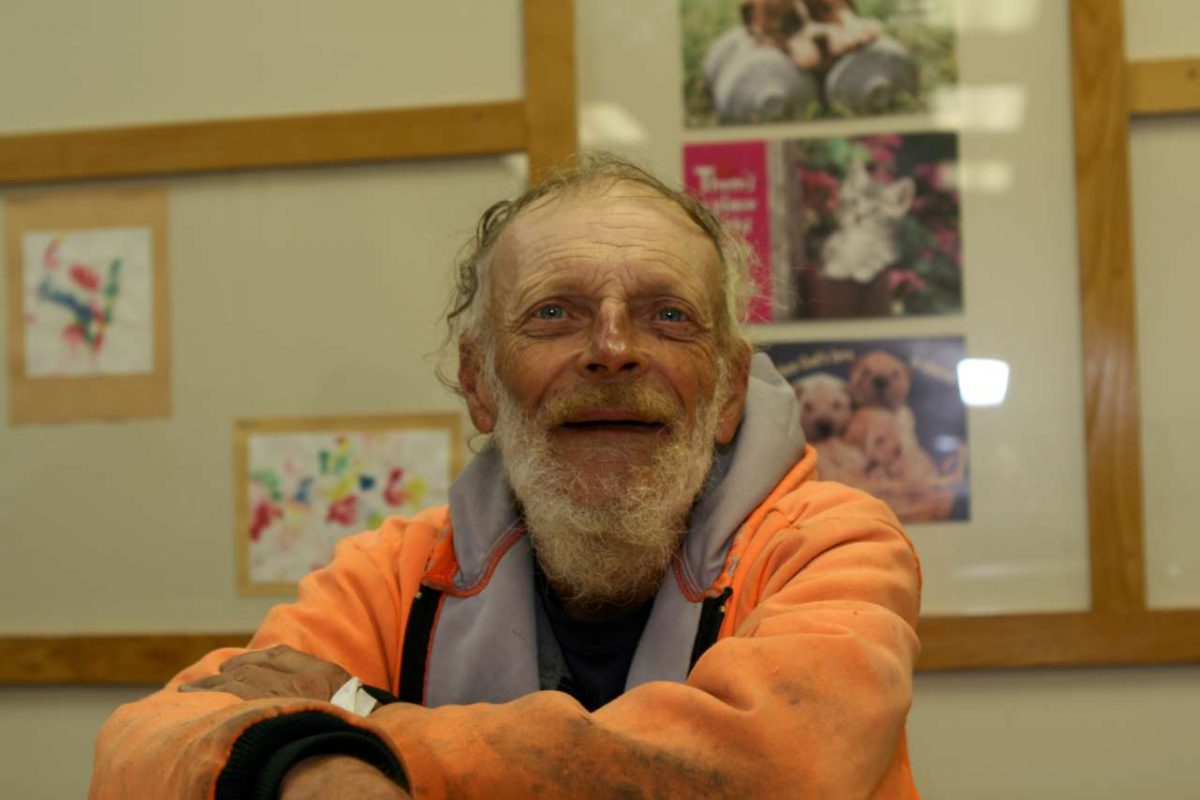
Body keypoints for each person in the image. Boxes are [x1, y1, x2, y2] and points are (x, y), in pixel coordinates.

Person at [90, 154, 921, 799]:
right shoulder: (399, 570)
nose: (612, 349)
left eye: (668, 315)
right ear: (481, 382)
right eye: (553, 312)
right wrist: (309, 771)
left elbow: (767, 769)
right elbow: (147, 746)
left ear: (730, 387)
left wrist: (362, 727)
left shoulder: (831, 545)